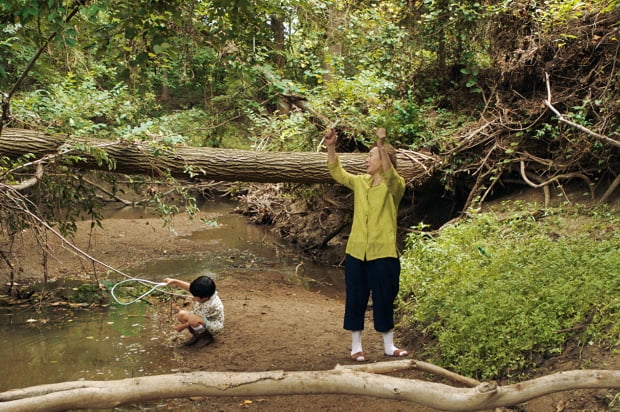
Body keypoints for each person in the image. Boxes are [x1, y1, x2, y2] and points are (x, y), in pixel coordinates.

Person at [325, 126, 409, 362]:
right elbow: (337, 172)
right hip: (356, 252)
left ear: (384, 160)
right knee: (356, 297)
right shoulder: (360, 182)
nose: (366, 160)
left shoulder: (395, 186)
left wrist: (381, 146)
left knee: (384, 297)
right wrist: (331, 146)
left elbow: (391, 175)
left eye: (370, 156)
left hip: (383, 253)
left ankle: (389, 346)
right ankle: (356, 347)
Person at [163, 275, 224, 348]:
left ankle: (206, 337)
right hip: (200, 318)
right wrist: (174, 281)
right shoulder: (206, 293)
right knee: (181, 314)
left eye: (195, 296)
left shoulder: (211, 304)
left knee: (194, 320)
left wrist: (181, 327)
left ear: (204, 298)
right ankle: (197, 335)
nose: (193, 297)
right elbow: (189, 287)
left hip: (213, 324)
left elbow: (195, 319)